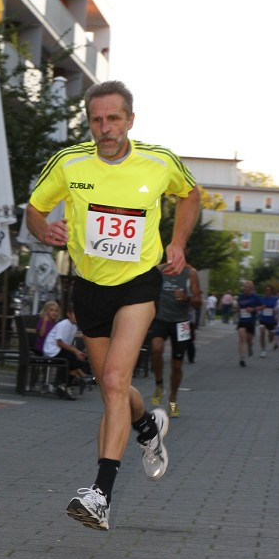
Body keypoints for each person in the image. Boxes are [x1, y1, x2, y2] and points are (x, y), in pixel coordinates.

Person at [26, 79, 200, 531]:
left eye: (113, 119)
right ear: (89, 122)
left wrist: (178, 242)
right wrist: (43, 229)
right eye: (97, 120)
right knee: (111, 388)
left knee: (117, 377)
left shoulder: (159, 161)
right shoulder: (69, 163)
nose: (105, 128)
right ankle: (148, 428)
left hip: (139, 283)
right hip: (88, 287)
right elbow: (34, 208)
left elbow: (191, 193)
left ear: (130, 120)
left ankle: (100, 493)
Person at [150, 262, 202, 417]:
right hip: (160, 319)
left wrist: (187, 298)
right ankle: (159, 384)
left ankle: (173, 399)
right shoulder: (159, 270)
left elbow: (198, 302)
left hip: (182, 323)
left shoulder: (190, 273)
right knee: (156, 350)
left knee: (177, 365)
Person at [43, 306, 91, 399]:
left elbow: (68, 344)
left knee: (77, 360)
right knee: (74, 361)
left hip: (60, 349)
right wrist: (75, 351)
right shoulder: (64, 324)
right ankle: (67, 385)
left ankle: (65, 386)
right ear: (69, 314)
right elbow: (59, 342)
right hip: (52, 350)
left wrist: (78, 352)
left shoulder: (73, 327)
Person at [236, 280, 261, 366]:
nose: (245, 288)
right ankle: (242, 358)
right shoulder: (240, 296)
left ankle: (250, 346)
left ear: (251, 288)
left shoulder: (255, 297)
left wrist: (253, 309)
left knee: (248, 340)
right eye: (244, 286)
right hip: (242, 320)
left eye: (247, 287)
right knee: (242, 339)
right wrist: (237, 310)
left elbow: (262, 306)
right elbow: (239, 306)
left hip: (251, 321)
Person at [258, 284, 278, 356]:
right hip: (263, 319)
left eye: (269, 290)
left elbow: (278, 308)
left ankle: (274, 341)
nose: (267, 292)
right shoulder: (261, 299)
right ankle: (263, 350)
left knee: (270, 337)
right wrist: (261, 308)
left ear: (271, 291)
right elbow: (257, 308)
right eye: (266, 290)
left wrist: (276, 312)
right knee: (262, 332)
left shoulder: (275, 299)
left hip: (271, 320)